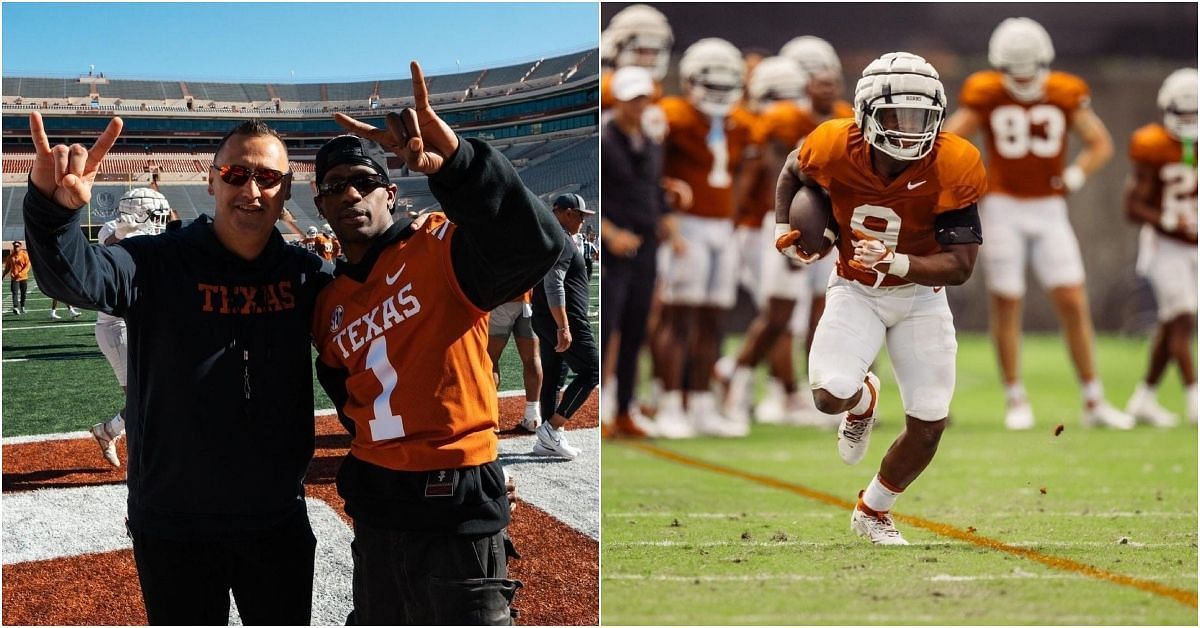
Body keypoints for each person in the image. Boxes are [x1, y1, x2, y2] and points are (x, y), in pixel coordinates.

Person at [23, 112, 333, 624]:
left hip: (275, 516)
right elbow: (74, 280)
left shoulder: (305, 275)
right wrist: (54, 215)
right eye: (235, 174)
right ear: (211, 180)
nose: (250, 189)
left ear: (286, 189)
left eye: (267, 177)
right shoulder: (158, 261)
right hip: (173, 520)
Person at [310, 60, 564, 625]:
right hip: (378, 505)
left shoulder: (438, 245)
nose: (350, 194)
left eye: (363, 181)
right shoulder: (327, 303)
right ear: (320, 204)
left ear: (391, 193)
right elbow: (346, 397)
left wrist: (459, 164)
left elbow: (536, 245)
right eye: (334, 187)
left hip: (455, 498)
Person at [775, 52, 986, 544]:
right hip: (855, 289)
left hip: (921, 296)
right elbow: (793, 169)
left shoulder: (955, 160)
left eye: (921, 117)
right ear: (866, 111)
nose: (910, 130)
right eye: (897, 116)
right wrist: (784, 225)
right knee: (829, 396)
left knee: (930, 421)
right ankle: (864, 397)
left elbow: (960, 266)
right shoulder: (831, 142)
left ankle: (873, 509)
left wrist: (894, 262)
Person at [943, 17, 1133, 430]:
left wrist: (1076, 175)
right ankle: (1015, 397)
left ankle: (1094, 399)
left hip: (1048, 209)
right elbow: (950, 141)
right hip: (1004, 208)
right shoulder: (986, 91)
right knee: (1007, 301)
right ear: (1000, 66)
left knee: (1072, 300)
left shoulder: (1065, 90)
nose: (1023, 78)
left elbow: (1100, 142)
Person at [654, 37, 754, 438]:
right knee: (679, 316)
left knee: (713, 318)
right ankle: (668, 401)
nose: (716, 93)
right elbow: (651, 166)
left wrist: (733, 212)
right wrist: (665, 197)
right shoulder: (673, 115)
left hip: (721, 228)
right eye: (709, 84)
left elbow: (752, 165)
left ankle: (700, 403)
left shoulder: (741, 123)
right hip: (687, 226)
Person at [600, 65, 672, 439]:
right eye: (632, 98)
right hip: (615, 247)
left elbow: (653, 188)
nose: (638, 104)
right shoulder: (605, 140)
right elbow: (594, 196)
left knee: (634, 329)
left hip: (646, 244)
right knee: (608, 327)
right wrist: (609, 233)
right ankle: (601, 407)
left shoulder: (649, 139)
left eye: (643, 97)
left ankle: (625, 407)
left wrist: (667, 219)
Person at [1124, 68, 1198, 426]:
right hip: (1164, 245)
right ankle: (1194, 398)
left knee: (1173, 325)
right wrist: (1169, 221)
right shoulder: (1151, 145)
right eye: (1181, 113)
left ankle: (1144, 398)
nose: (1187, 121)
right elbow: (1131, 208)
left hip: (1193, 246)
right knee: (1182, 317)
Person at [89, 187, 174, 468]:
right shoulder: (113, 229)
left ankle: (108, 431)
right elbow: (110, 247)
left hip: (145, 322)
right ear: (138, 211)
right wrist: (125, 232)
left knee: (158, 392)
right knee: (143, 399)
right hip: (117, 327)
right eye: (156, 213)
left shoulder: (156, 235)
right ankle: (139, 452)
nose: (160, 219)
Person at [530, 193, 599, 460]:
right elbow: (553, 282)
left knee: (554, 374)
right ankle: (553, 427)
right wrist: (564, 326)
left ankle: (548, 440)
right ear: (567, 212)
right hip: (562, 316)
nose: (583, 220)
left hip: (547, 316)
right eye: (580, 215)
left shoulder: (553, 237)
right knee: (593, 369)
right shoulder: (561, 240)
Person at [487, 289, 544, 432]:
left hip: (503, 297)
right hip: (528, 300)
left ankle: (490, 416)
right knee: (532, 358)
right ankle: (533, 416)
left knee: (490, 358)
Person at [3, 241, 31, 315]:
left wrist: (21, 273)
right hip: (14, 278)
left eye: (17, 246)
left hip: (23, 278)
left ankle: (22, 306)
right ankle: (15, 307)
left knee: (23, 293)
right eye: (15, 246)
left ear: (20, 247)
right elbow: (7, 268)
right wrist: (3, 275)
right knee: (14, 293)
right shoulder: (10, 257)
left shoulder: (24, 255)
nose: (16, 248)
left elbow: (27, 266)